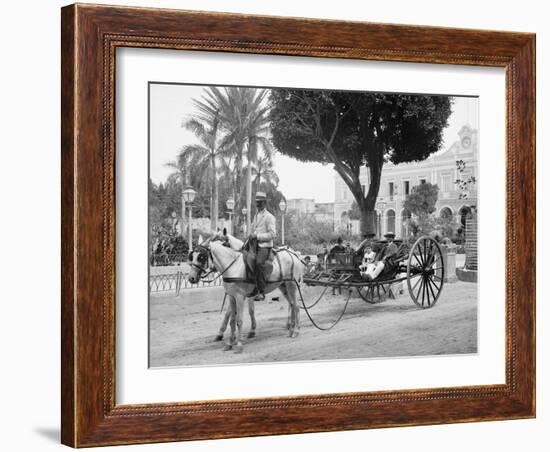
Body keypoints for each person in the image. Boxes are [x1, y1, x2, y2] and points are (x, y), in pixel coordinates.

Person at [246, 191, 276, 301]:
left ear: (264, 203)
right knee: (243, 256)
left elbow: (273, 234)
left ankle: (261, 291)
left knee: (258, 263)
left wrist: (257, 236)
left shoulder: (269, 217)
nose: (257, 205)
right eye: (256, 203)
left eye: (259, 203)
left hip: (265, 246)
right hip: (254, 244)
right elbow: (254, 228)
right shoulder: (256, 215)